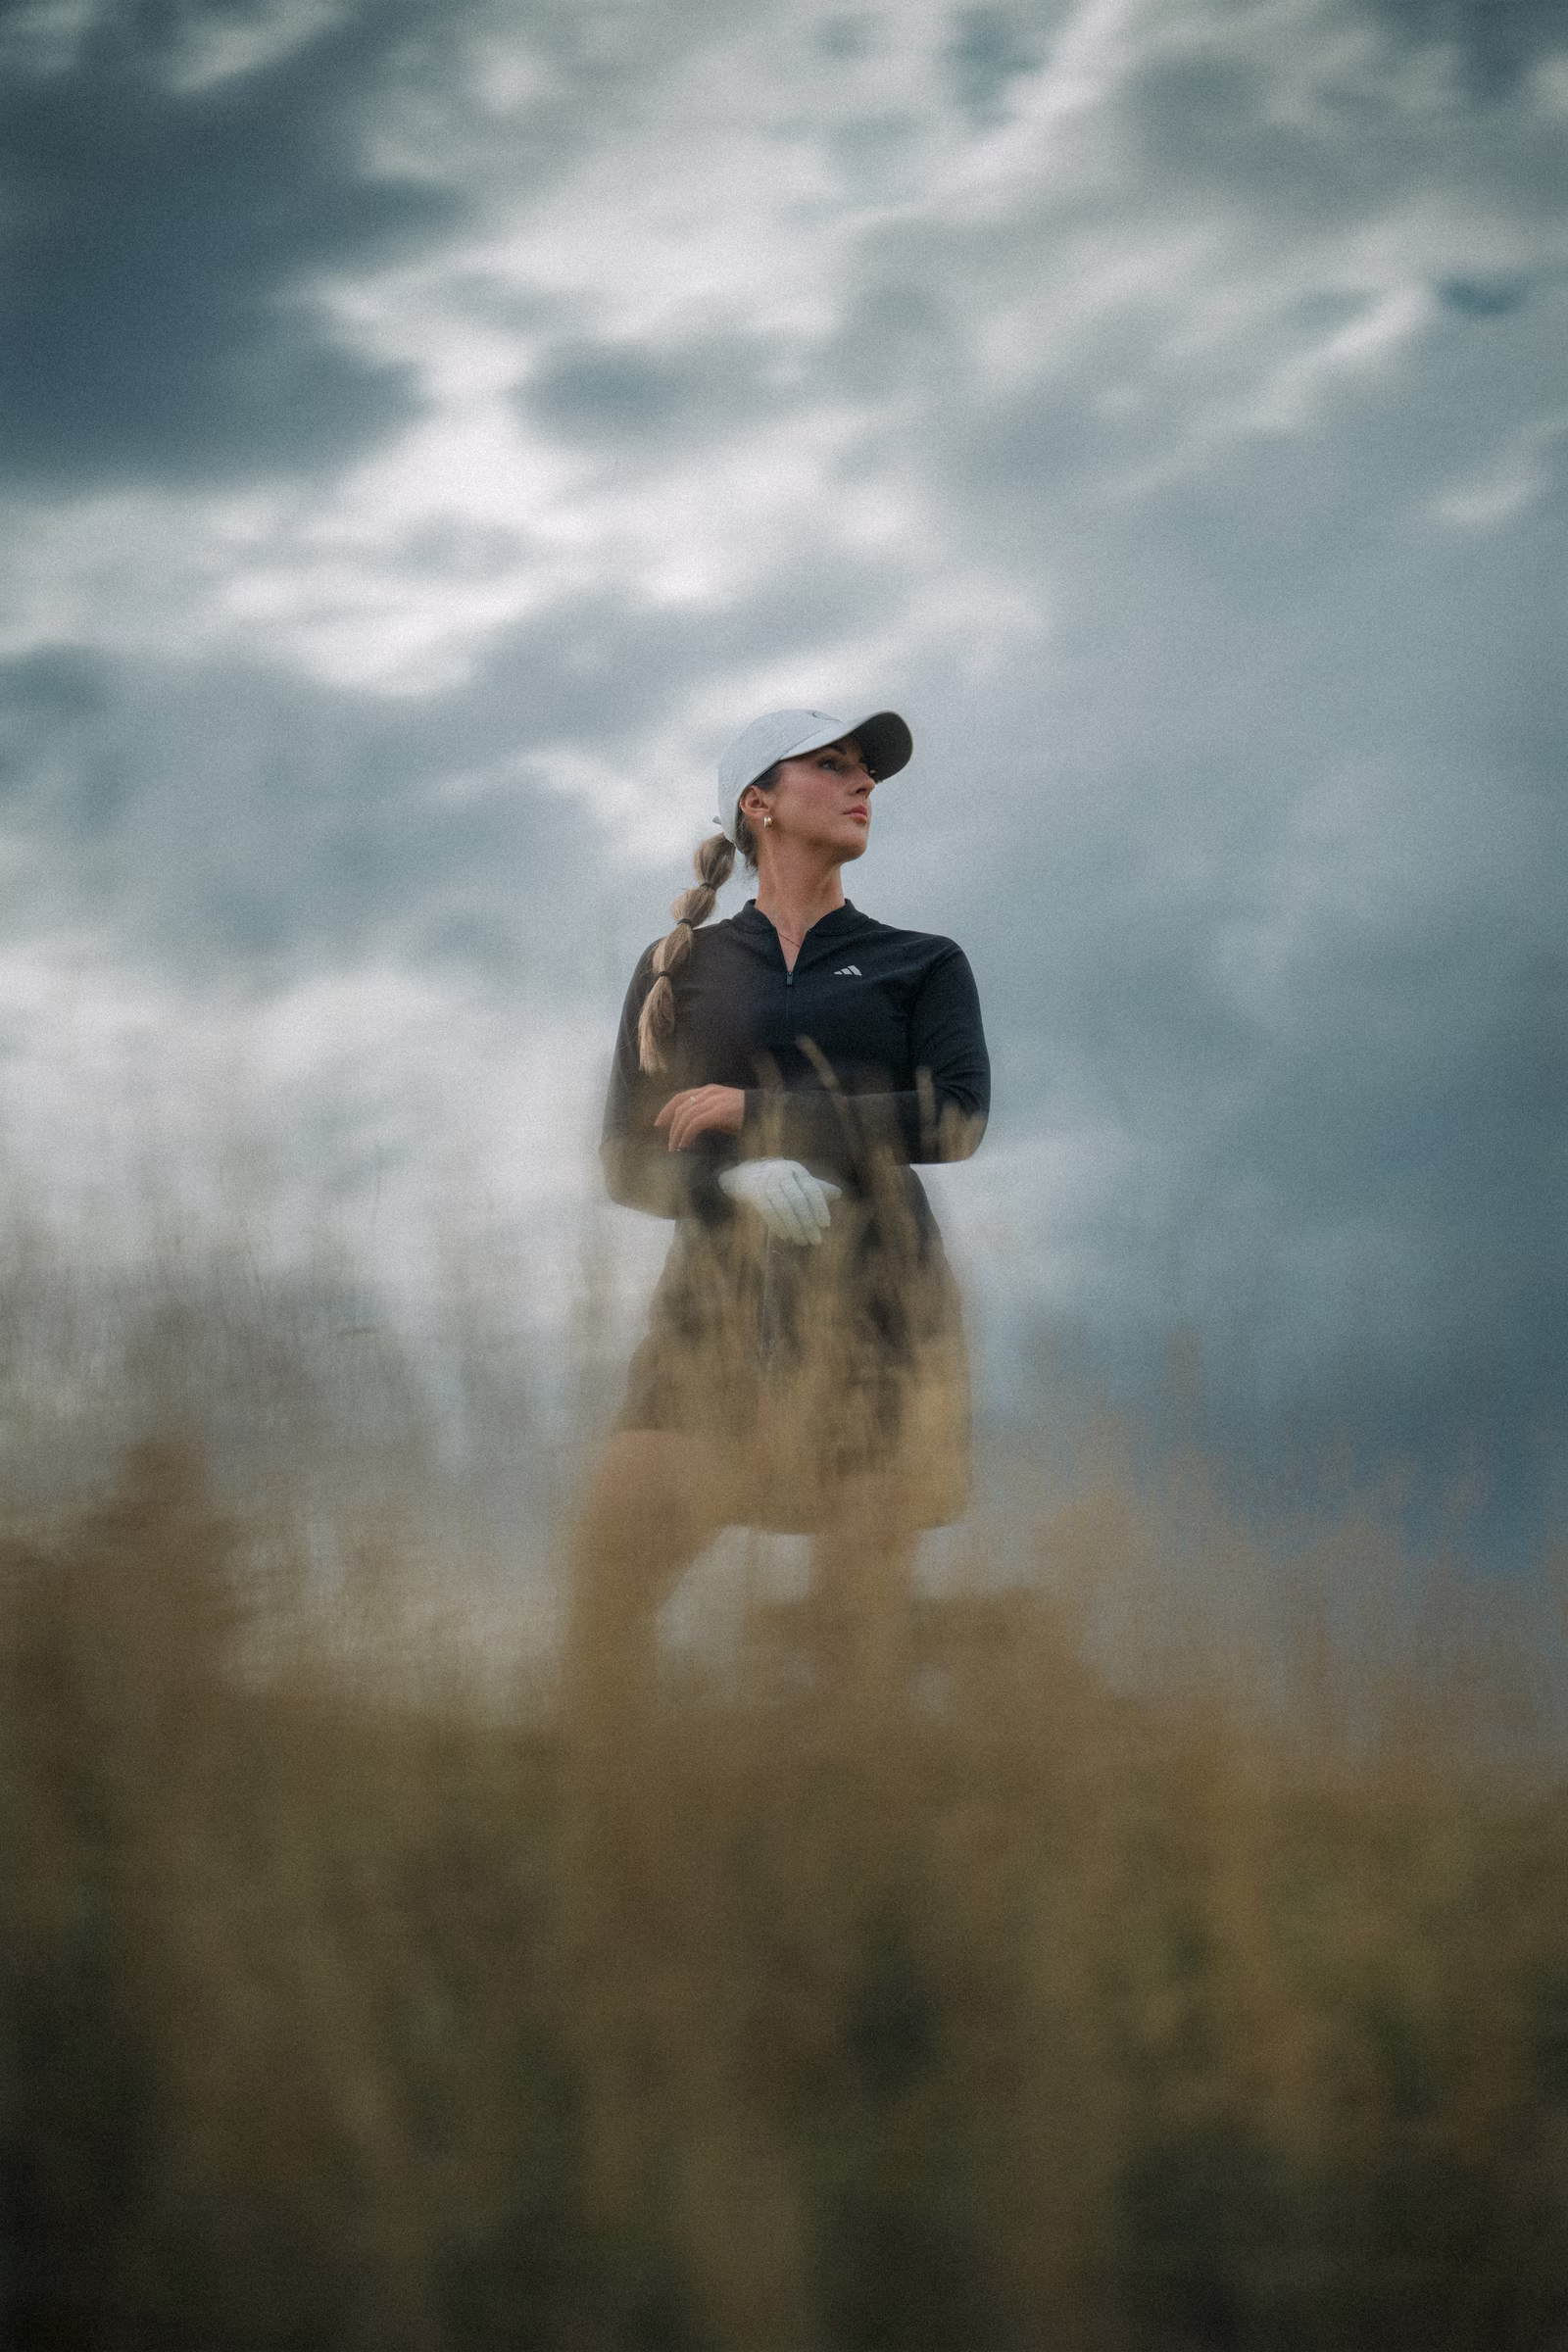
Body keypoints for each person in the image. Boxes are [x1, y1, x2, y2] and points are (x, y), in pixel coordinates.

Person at [564, 706, 990, 1751]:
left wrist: (767, 1119)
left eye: (869, 774)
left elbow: (957, 1117)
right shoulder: (682, 967)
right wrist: (731, 1189)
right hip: (711, 1318)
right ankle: (620, 1832)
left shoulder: (919, 962)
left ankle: (834, 1866)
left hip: (880, 1316)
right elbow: (628, 1161)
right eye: (833, 766)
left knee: (854, 1651)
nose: (863, 786)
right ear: (759, 802)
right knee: (604, 1599)